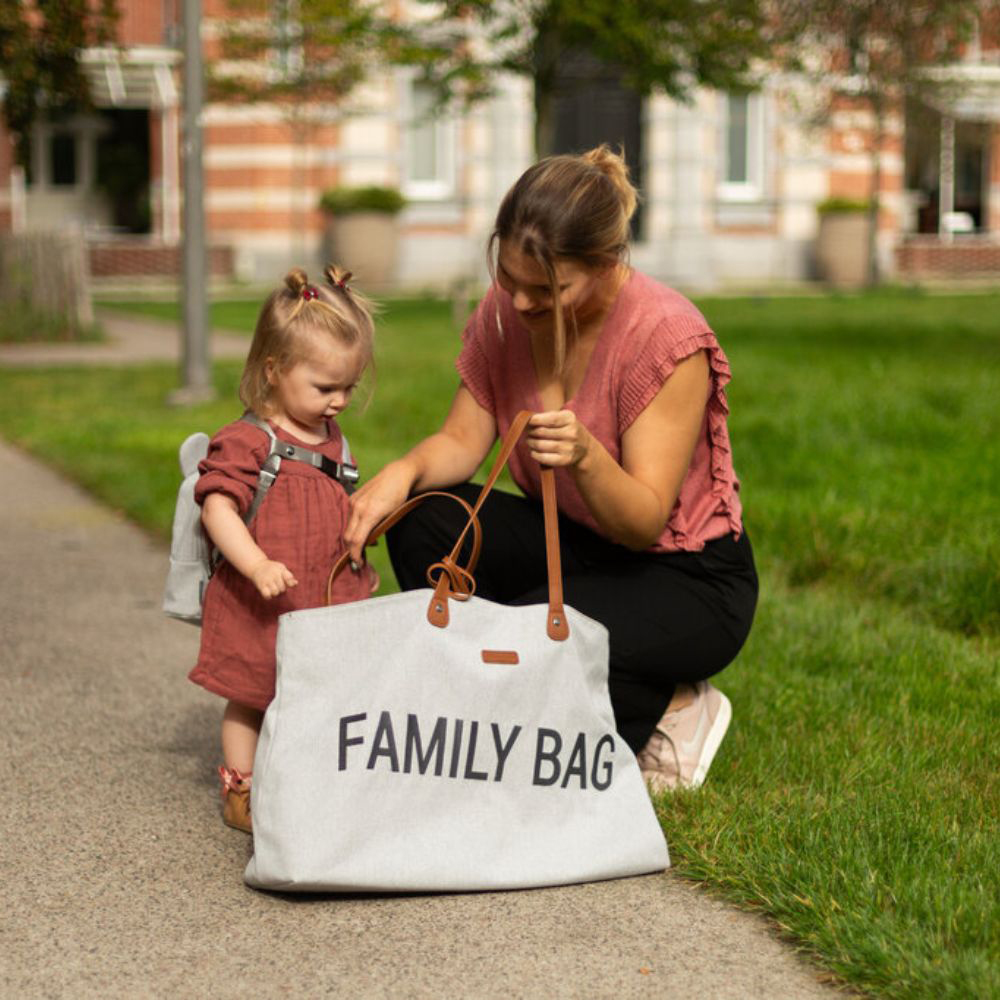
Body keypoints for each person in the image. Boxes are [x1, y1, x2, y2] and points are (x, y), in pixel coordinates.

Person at [345, 145, 759, 794]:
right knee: (429, 522)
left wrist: (588, 455)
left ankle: (676, 707)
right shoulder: (509, 309)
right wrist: (402, 471)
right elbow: (462, 438)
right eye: (510, 279)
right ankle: (528, 692)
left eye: (548, 289)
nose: (522, 302)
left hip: (685, 576)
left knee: (535, 632)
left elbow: (645, 520)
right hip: (575, 545)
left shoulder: (666, 337)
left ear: (605, 264)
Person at [189, 265, 377, 832]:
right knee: (252, 694)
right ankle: (241, 790)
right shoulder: (251, 440)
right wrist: (255, 563)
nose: (340, 401)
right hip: (262, 597)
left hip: (320, 591)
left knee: (318, 688)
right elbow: (218, 507)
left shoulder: (331, 436)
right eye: (325, 388)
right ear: (274, 371)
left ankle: (308, 775)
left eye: (349, 386)